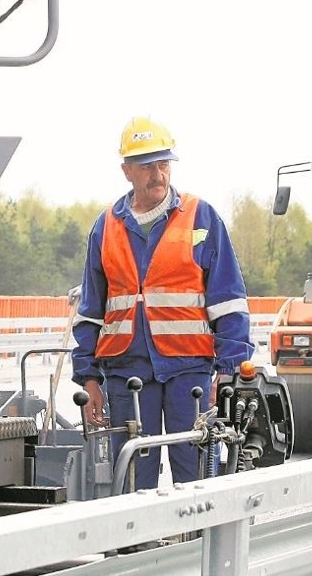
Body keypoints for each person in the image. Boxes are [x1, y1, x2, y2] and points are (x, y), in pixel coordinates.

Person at [71, 117, 254, 492]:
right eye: (146, 166)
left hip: (190, 371)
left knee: (196, 467)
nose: (158, 175)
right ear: (127, 172)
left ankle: (198, 543)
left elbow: (229, 301)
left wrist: (230, 367)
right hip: (126, 370)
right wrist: (88, 377)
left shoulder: (201, 217)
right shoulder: (105, 227)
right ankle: (138, 547)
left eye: (163, 164)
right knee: (134, 472)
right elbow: (91, 311)